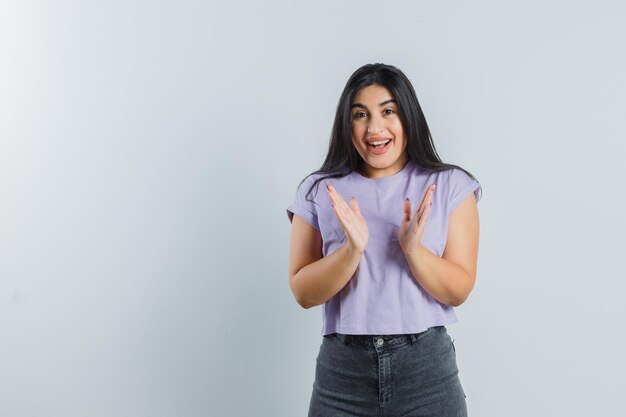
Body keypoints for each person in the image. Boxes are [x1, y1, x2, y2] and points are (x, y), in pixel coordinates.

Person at [286, 63, 482, 417]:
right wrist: (351, 251)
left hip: (426, 371)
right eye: (360, 114)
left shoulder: (451, 185)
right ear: (347, 124)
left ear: (408, 116)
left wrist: (413, 251)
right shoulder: (319, 190)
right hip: (342, 372)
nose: (374, 128)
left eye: (388, 111)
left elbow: (459, 290)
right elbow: (303, 292)